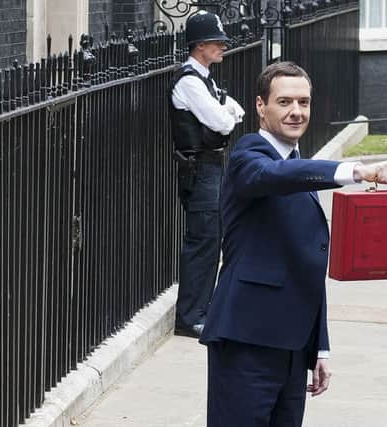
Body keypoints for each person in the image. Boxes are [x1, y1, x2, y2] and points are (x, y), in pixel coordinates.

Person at [199, 61, 387, 426]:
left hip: (293, 348)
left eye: (304, 102)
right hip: (247, 341)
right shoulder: (250, 157)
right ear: (261, 106)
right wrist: (356, 171)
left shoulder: (297, 167)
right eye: (284, 102)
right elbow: (274, 176)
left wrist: (319, 346)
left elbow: (307, 265)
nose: (296, 112)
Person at [169, 10, 245, 338]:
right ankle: (189, 317)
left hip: (211, 167)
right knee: (202, 242)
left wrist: (225, 112)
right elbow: (224, 121)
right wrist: (224, 113)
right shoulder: (189, 82)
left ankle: (202, 309)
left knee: (212, 239)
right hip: (199, 169)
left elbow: (236, 109)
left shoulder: (205, 79)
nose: (223, 47)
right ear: (200, 46)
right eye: (218, 42)